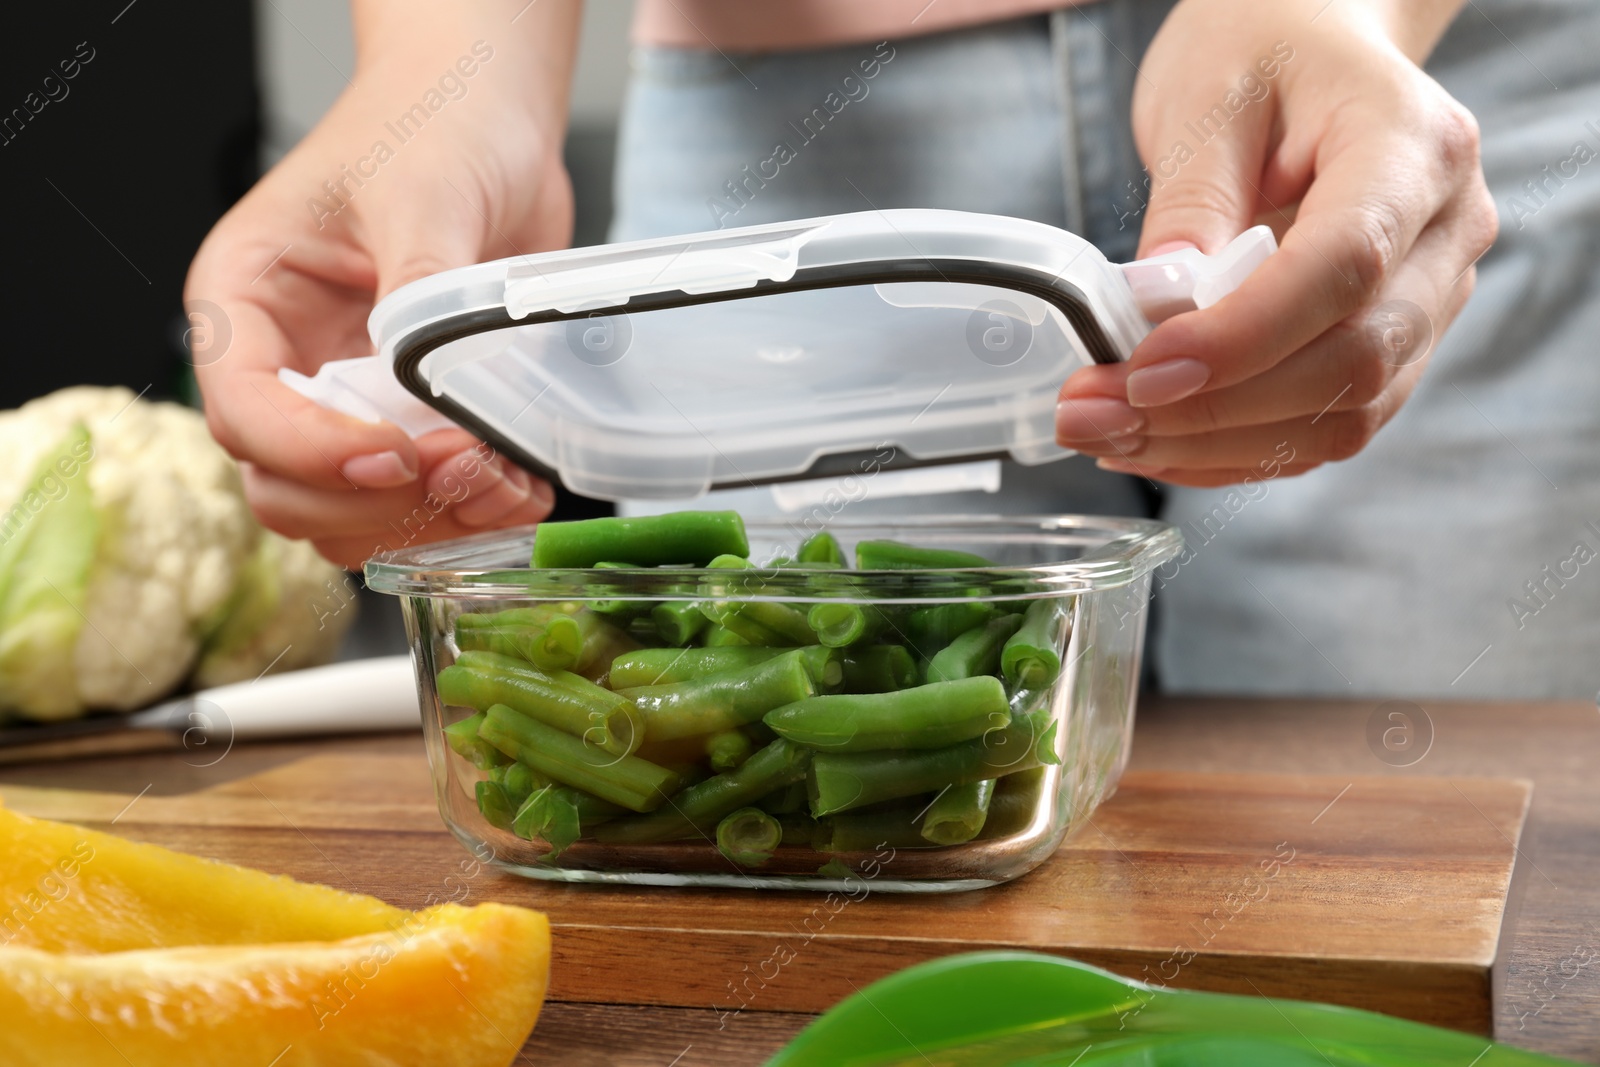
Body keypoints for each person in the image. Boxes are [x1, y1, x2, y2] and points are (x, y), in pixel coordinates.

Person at [187, 0, 1600, 699]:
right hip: (780, 116)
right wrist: (447, 87)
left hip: (1416, 66)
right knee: (815, 876)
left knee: (1411, 877)